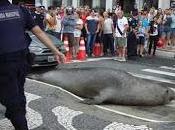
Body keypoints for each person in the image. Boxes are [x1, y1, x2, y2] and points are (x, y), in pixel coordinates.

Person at [0, 0, 65, 130]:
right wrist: (56, 51)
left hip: (4, 65)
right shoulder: (20, 10)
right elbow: (39, 32)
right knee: (18, 93)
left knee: (12, 100)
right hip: (21, 62)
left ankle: (21, 123)